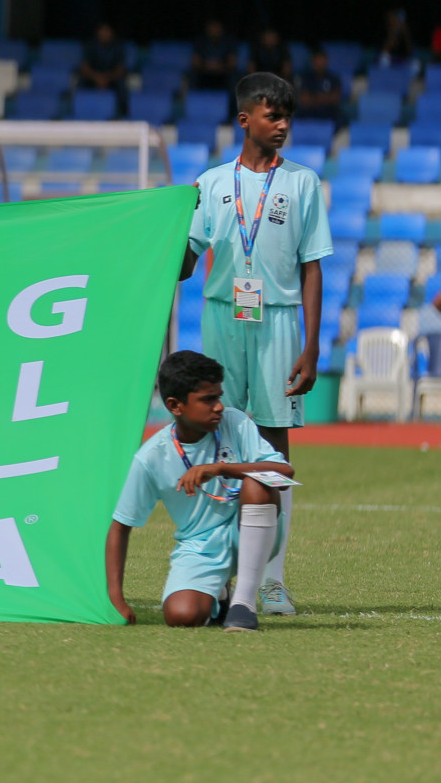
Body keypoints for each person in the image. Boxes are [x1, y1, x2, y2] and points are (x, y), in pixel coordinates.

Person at [179, 72, 331, 616]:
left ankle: (270, 579)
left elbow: (312, 268)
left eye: (288, 116)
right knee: (219, 442)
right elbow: (186, 264)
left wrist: (312, 347)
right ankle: (221, 577)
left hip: (280, 322)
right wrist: (160, 233)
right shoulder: (213, 183)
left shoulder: (303, 183)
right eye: (274, 115)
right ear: (246, 120)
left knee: (272, 449)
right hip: (222, 319)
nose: (283, 124)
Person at [106, 351, 294, 632]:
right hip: (199, 547)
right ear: (175, 405)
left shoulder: (235, 421)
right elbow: (120, 527)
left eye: (218, 397)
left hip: (250, 530)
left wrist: (220, 468)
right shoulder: (151, 457)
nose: (218, 407)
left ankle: (244, 605)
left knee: (258, 482)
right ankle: (220, 595)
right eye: (208, 400)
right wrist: (116, 597)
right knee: (182, 616)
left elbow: (284, 472)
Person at [296, 50, 344, 126]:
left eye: (322, 61)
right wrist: (325, 98)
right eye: (318, 61)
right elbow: (304, 99)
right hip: (310, 111)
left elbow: (335, 99)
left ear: (326, 61)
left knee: (341, 116)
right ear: (313, 62)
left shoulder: (334, 78)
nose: (320, 64)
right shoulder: (306, 78)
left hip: (328, 110)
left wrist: (314, 98)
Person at [78, 22, 127, 90]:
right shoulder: (89, 45)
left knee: (121, 83)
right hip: (93, 77)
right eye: (102, 31)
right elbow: (85, 68)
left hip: (111, 78)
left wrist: (106, 78)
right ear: (97, 32)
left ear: (112, 33)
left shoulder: (118, 47)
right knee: (81, 80)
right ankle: (80, 100)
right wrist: (97, 78)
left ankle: (122, 101)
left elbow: (120, 70)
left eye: (107, 31)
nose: (104, 34)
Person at [191, 19, 238, 90]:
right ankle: (194, 98)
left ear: (222, 29)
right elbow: (195, 62)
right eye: (212, 28)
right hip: (204, 71)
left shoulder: (229, 41)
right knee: (192, 74)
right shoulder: (200, 42)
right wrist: (206, 66)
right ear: (207, 29)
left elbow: (232, 63)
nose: (214, 31)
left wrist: (219, 66)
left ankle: (232, 99)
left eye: (216, 28)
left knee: (234, 76)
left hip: (223, 72)